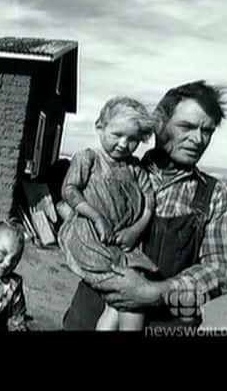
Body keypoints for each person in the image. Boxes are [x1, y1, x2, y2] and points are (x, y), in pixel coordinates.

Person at [62, 80, 227, 331]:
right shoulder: (110, 170)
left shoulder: (217, 194)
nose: (198, 139)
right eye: (187, 127)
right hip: (88, 316)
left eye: (207, 131)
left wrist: (157, 292)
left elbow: (224, 267)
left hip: (165, 323)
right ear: (159, 125)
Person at [57, 97, 159, 330]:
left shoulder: (134, 168)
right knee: (132, 297)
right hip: (90, 238)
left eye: (132, 139)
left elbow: (149, 203)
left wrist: (136, 229)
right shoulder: (89, 159)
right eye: (117, 135)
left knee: (118, 304)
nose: (123, 144)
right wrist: (97, 217)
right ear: (99, 128)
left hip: (123, 243)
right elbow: (69, 190)